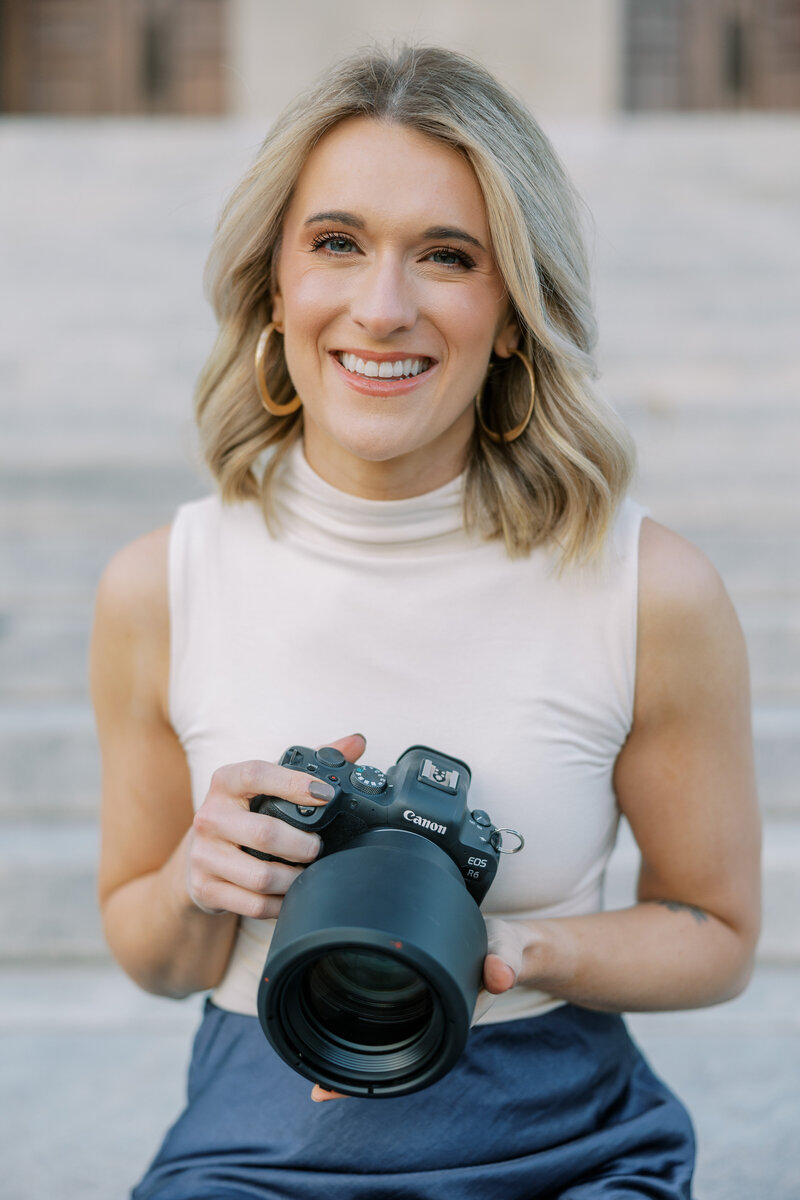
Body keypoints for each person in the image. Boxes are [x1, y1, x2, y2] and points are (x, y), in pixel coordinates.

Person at [91, 44, 761, 1200]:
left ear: (512, 314)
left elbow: (714, 928)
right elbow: (154, 959)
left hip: (565, 1140)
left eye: (446, 256)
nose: (381, 307)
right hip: (257, 1143)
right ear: (275, 284)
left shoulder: (647, 587)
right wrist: (201, 878)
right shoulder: (163, 583)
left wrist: (514, 953)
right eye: (336, 243)